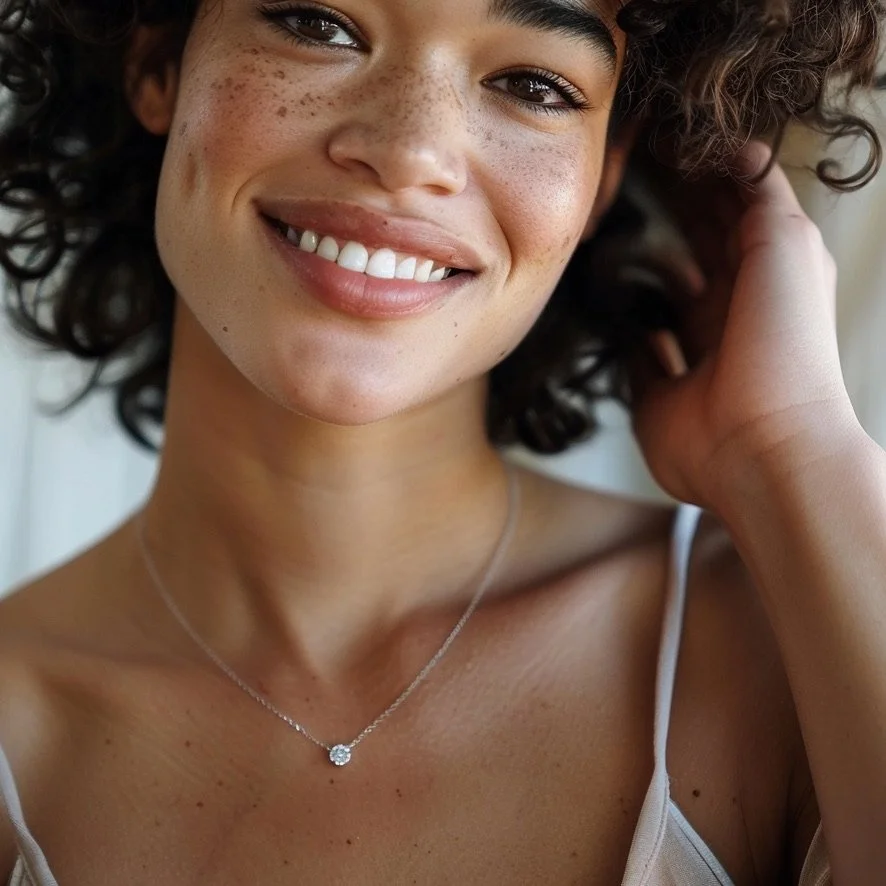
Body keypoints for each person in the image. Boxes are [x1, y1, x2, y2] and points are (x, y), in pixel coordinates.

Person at [0, 0, 884, 883]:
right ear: (159, 60)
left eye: (533, 85)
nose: (409, 151)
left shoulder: (780, 657)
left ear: (604, 171)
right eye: (318, 25)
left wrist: (794, 454)